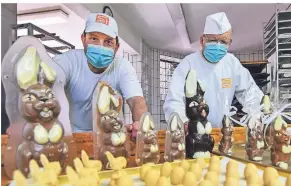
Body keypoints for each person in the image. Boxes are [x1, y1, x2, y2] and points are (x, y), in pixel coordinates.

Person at [53, 13, 148, 136]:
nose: (100, 46)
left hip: (111, 134)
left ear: (116, 46)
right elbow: (51, 83)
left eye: (108, 41)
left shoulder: (123, 67)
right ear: (83, 39)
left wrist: (140, 123)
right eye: (94, 39)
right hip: (75, 133)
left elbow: (136, 100)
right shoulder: (68, 61)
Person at [163, 12, 264, 128]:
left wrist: (257, 114)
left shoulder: (232, 63)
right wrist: (183, 123)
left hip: (222, 131)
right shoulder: (188, 64)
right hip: (194, 131)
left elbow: (249, 92)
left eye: (224, 42)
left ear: (229, 43)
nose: (218, 46)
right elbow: (174, 101)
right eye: (213, 40)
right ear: (202, 40)